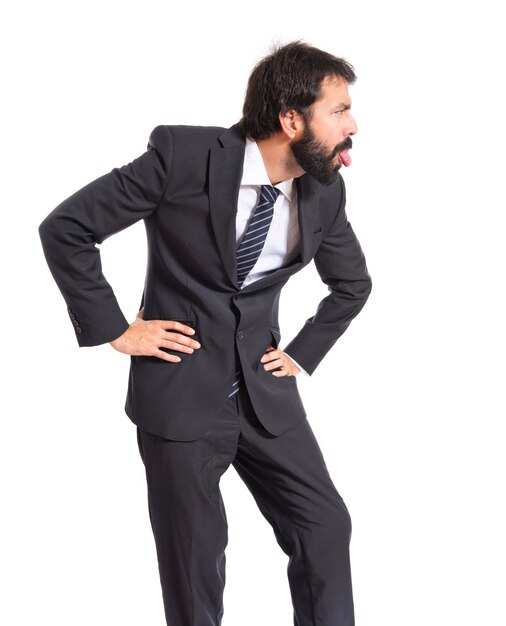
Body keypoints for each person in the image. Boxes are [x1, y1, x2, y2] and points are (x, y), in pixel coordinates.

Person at [38, 41, 371, 626]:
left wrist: (300, 353)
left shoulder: (323, 189)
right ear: (291, 119)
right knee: (195, 566)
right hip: (180, 392)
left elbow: (352, 285)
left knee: (324, 526)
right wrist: (116, 329)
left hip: (265, 396)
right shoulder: (183, 156)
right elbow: (67, 228)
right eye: (339, 110)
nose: (355, 125)